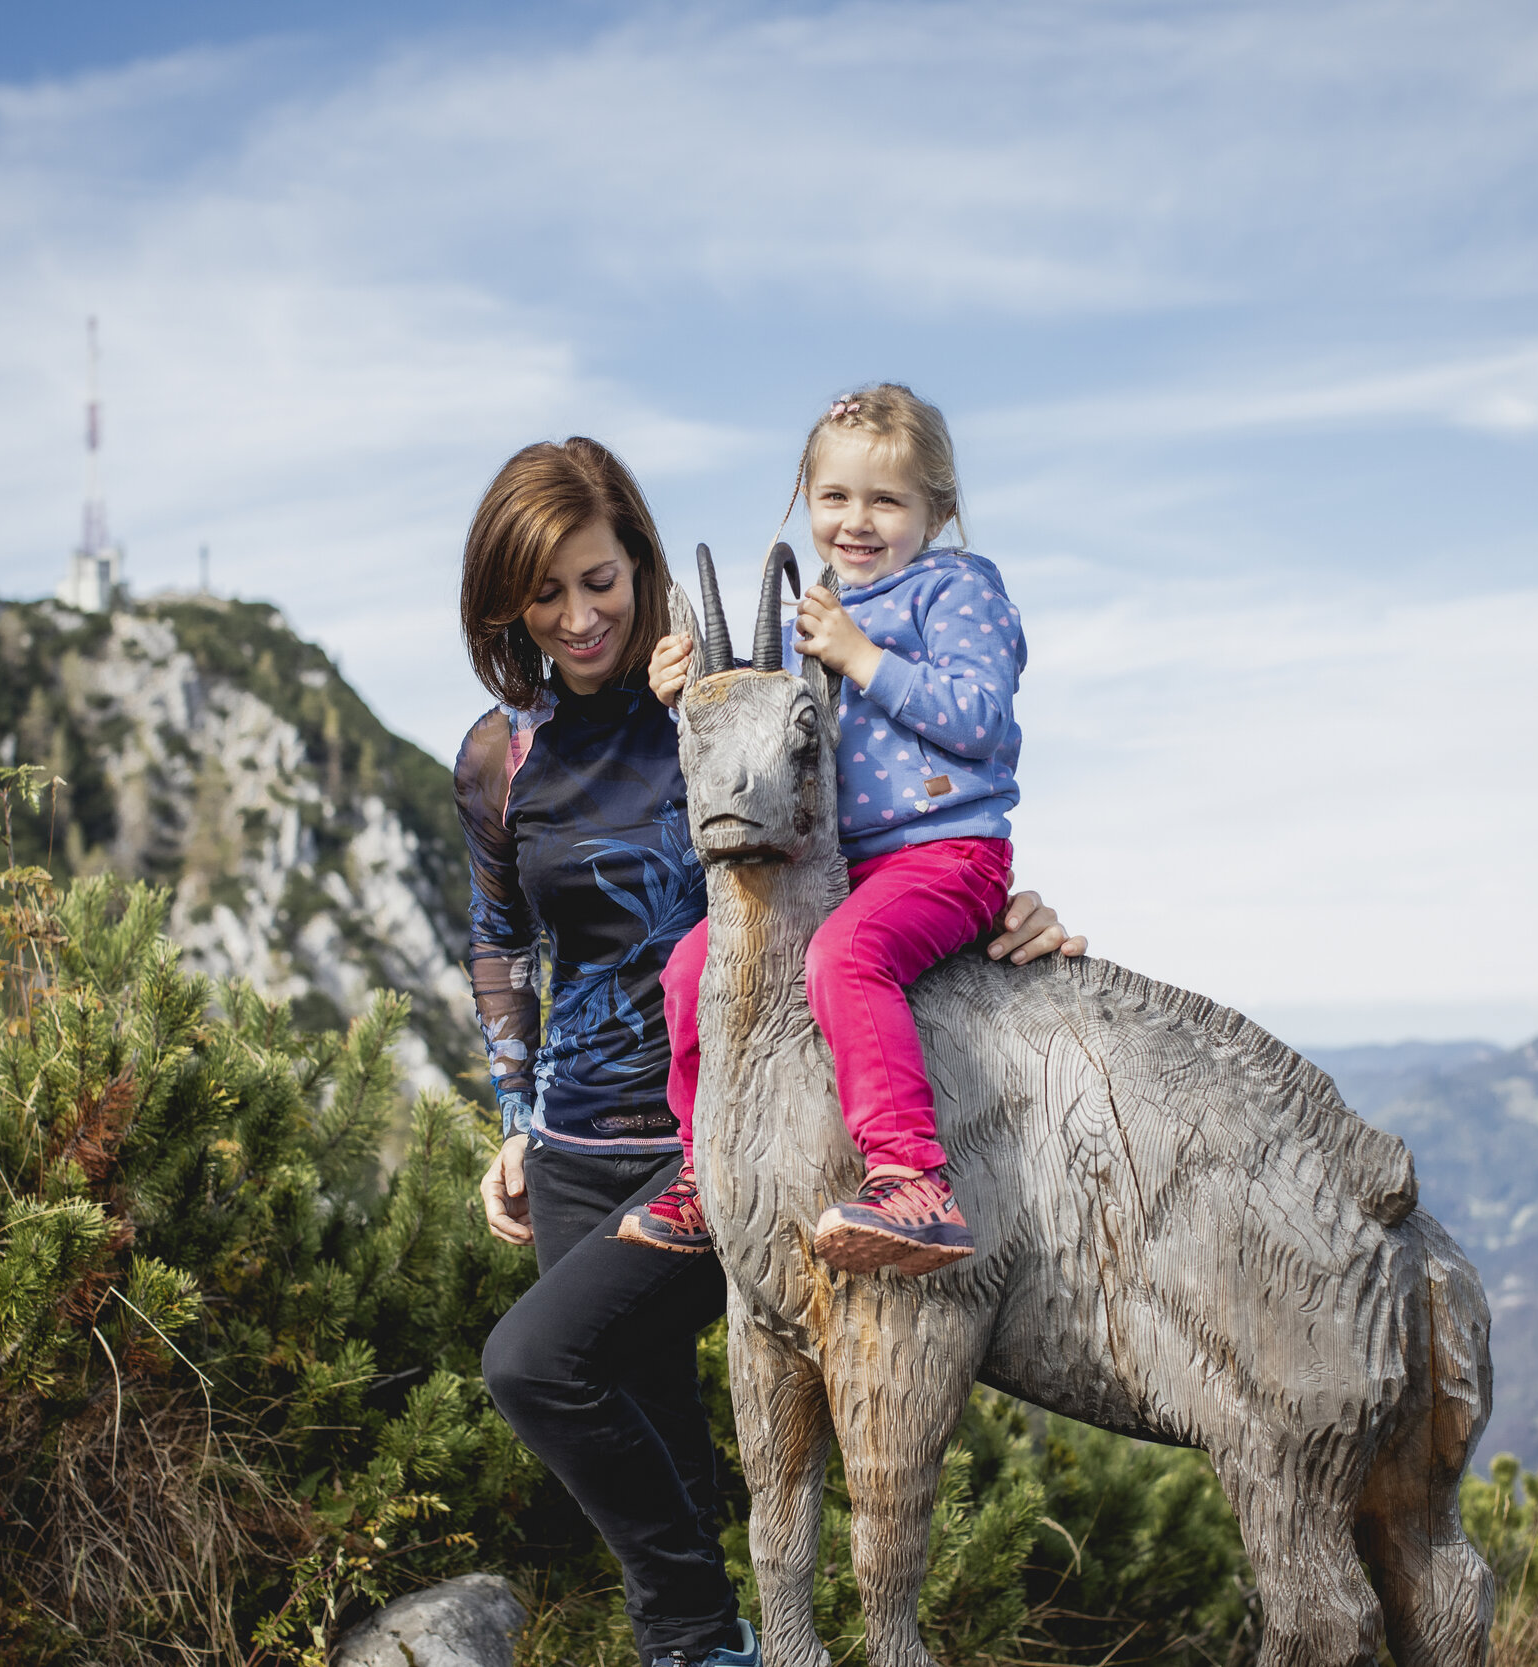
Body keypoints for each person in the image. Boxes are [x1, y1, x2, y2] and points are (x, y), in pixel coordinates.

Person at [458, 437, 1081, 1667]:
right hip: (575, 1146)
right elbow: (498, 941)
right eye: (548, 592)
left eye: (601, 579)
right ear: (508, 601)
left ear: (639, 562)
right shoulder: (501, 754)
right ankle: (703, 1642)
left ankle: (706, 1635)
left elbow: (879, 836)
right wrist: (513, 1114)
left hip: (720, 1147)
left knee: (534, 1367)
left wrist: (1010, 906)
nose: (580, 616)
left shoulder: (717, 700)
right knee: (653, 1431)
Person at [625, 385, 1023, 1277]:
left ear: (939, 510)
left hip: (946, 853)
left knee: (845, 958)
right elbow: (773, 749)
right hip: (842, 867)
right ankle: (704, 1170)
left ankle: (915, 1177)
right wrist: (685, 695)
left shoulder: (957, 589)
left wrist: (861, 658)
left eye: (888, 500)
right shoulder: (822, 613)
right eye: (836, 497)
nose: (859, 520)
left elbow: (983, 717)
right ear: (807, 498)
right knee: (694, 965)